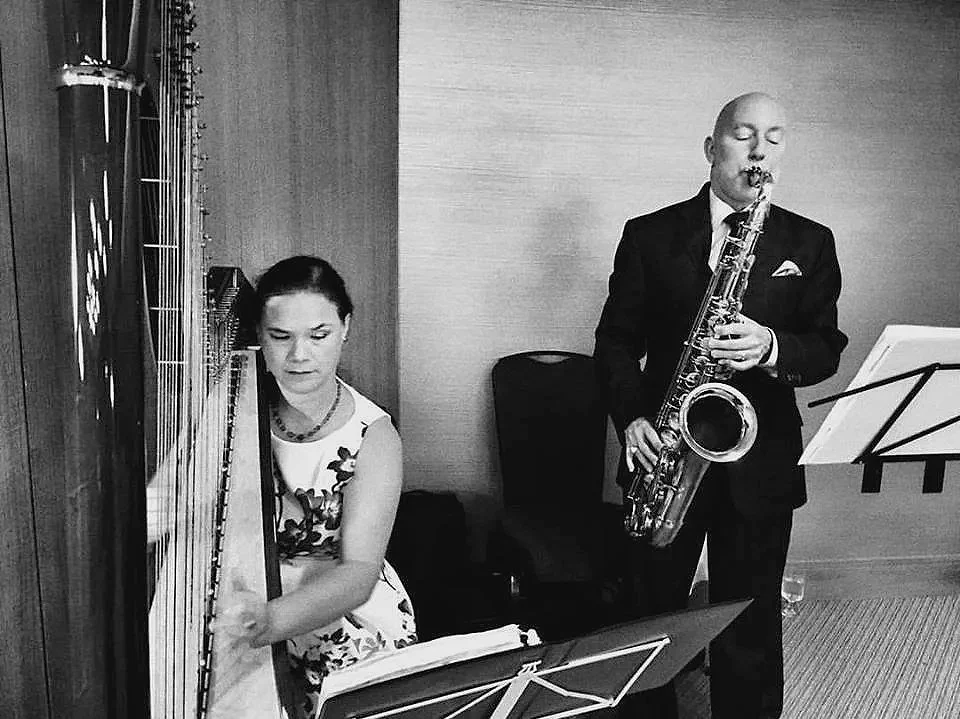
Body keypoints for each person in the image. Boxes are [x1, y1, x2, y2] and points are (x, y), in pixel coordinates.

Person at [594, 92, 847, 718]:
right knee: (648, 617)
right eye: (743, 134)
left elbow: (825, 349)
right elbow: (616, 342)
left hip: (758, 455)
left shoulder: (810, 243)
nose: (759, 150)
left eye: (774, 137)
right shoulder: (648, 235)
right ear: (712, 148)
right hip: (666, 446)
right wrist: (630, 419)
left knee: (753, 615)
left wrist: (770, 346)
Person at [216, 255, 417, 718]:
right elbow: (170, 501)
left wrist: (269, 621)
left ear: (345, 327)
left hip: (341, 620)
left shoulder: (375, 437)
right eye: (280, 337)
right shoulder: (231, 408)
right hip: (248, 606)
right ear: (258, 339)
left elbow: (358, 574)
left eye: (318, 335)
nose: (299, 355)